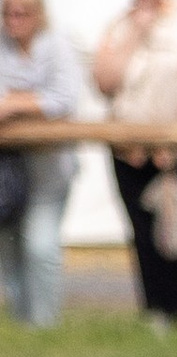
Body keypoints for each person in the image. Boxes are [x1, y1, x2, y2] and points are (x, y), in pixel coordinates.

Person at [90, 0, 177, 328]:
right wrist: (135, 32)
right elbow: (104, 83)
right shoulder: (121, 26)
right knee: (143, 231)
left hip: (175, 150)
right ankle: (155, 311)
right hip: (129, 150)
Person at [0, 0, 78, 328]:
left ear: (38, 14)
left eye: (22, 13)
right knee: (8, 247)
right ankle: (23, 320)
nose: (14, 20)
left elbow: (65, 98)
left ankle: (44, 324)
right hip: (7, 172)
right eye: (7, 13)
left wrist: (15, 103)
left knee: (40, 243)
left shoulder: (57, 46)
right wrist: (33, 101)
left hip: (49, 168)